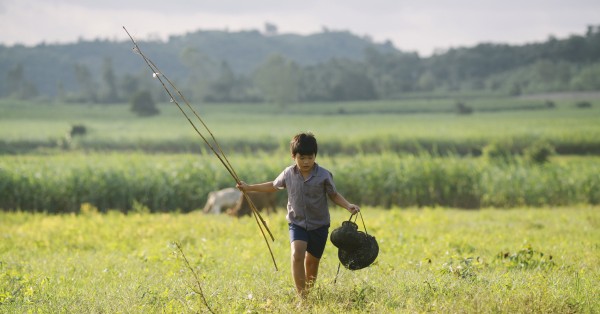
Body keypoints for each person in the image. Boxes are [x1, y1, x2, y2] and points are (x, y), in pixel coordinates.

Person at [236, 132, 360, 299]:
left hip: (319, 225)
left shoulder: (324, 175)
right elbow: (273, 186)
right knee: (297, 254)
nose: (306, 162)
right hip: (297, 223)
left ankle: (308, 293)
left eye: (310, 157)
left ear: (315, 156)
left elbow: (334, 195)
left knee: (312, 262)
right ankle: (302, 298)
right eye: (302, 158)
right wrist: (249, 187)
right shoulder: (288, 173)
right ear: (293, 156)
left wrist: (348, 205)